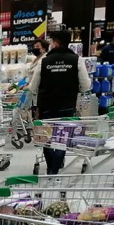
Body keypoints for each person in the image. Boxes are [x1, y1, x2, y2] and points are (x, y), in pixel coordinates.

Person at [29, 30, 91, 174]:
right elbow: (86, 85)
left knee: (47, 137)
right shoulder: (76, 60)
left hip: (46, 105)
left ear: (55, 43)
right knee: (63, 138)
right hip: (67, 105)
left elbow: (33, 87)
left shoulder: (44, 61)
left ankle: (51, 168)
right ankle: (54, 170)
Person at [27, 39, 49, 109]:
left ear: (44, 48)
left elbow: (37, 78)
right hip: (32, 92)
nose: (35, 48)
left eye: (37, 46)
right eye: (34, 47)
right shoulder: (35, 59)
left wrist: (28, 86)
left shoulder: (44, 60)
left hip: (38, 92)